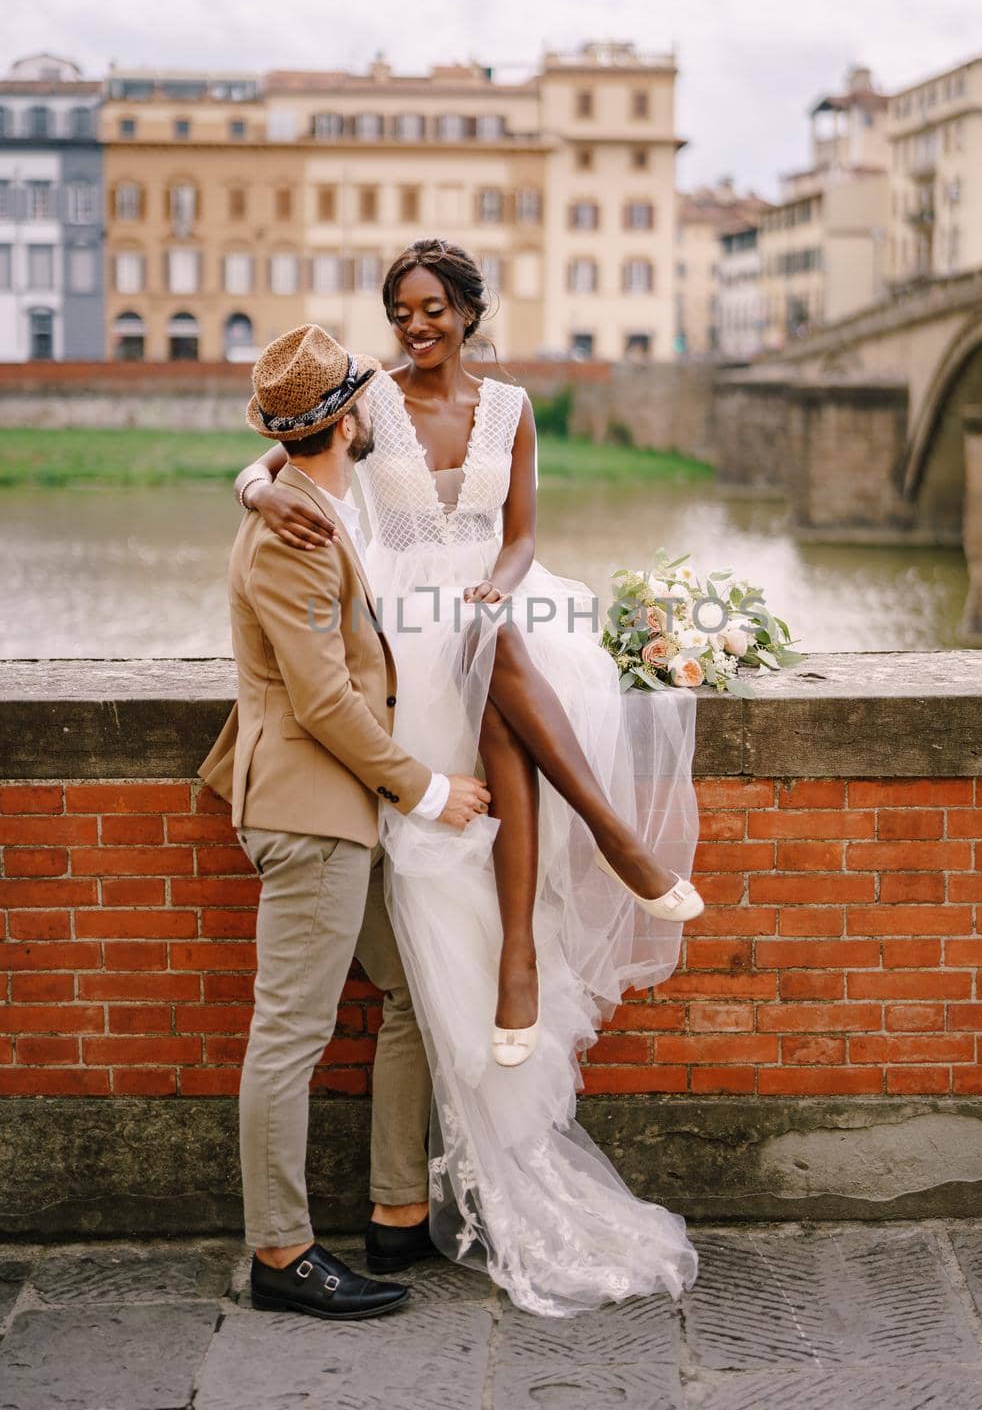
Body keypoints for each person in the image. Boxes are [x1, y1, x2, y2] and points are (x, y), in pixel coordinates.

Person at [236, 239, 703, 1316]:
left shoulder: (512, 407)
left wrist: (494, 588)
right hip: (398, 647)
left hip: (493, 619)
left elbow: (523, 534)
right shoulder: (369, 405)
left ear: (467, 311)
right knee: (426, 933)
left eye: (432, 308)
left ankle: (524, 961)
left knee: (496, 648)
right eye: (399, 311)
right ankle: (608, 854)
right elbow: (274, 457)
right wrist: (254, 490)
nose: (415, 326)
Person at [200, 323, 490, 1322]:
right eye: (361, 397)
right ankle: (281, 1252)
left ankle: (396, 1209)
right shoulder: (296, 538)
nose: (374, 408)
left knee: (406, 986)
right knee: (289, 1034)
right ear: (347, 417)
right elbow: (323, 702)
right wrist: (427, 789)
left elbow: (271, 460)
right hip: (312, 810)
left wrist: (257, 474)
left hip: (343, 808)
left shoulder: (313, 496)